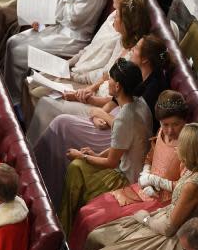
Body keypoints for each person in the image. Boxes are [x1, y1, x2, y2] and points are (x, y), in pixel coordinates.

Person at [77, 124, 198, 250]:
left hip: (171, 238)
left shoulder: (194, 184)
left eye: (181, 144)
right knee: (96, 236)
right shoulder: (194, 169)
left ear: (190, 150)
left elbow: (169, 228)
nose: (177, 148)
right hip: (161, 219)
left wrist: (143, 217)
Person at [33, 35, 170, 198]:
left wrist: (83, 154)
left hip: (124, 169)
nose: (132, 49)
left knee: (66, 136)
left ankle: (43, 181)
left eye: (136, 48)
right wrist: (99, 114)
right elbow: (116, 105)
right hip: (120, 134)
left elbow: (116, 151)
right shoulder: (133, 87)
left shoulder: (145, 95)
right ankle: (41, 172)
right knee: (62, 127)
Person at [67, 89, 190, 250]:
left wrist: (154, 181)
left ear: (185, 121)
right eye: (165, 124)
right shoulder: (162, 132)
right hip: (141, 189)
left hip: (161, 204)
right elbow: (150, 156)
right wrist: (145, 173)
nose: (170, 131)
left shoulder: (188, 145)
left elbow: (185, 186)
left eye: (176, 124)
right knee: (87, 213)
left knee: (96, 226)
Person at [23, 0, 151, 139]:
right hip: (89, 85)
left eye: (118, 13)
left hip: (94, 93)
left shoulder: (129, 50)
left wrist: (83, 91)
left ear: (126, 21)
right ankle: (30, 135)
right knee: (31, 83)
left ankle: (34, 147)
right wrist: (68, 67)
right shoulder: (118, 28)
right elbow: (104, 70)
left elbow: (115, 96)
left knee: (43, 101)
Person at [58, 58, 153, 231]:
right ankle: (66, 223)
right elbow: (122, 147)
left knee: (76, 167)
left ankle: (67, 227)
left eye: (110, 79)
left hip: (126, 177)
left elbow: (111, 162)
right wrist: (95, 155)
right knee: (77, 167)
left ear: (117, 87)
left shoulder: (125, 117)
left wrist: (83, 156)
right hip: (127, 165)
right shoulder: (141, 103)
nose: (107, 81)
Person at [2, 0, 109, 103]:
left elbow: (74, 20)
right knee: (13, 42)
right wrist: (43, 20)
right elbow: (58, 5)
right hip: (60, 28)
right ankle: (7, 93)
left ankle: (14, 100)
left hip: (73, 39)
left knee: (18, 51)